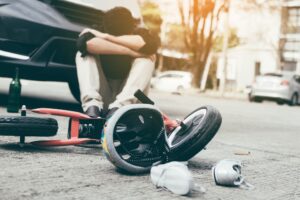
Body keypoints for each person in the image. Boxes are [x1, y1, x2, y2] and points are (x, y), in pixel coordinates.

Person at [76, 7, 160, 118]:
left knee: (147, 59)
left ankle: (119, 108)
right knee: (83, 54)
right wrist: (130, 52)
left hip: (130, 101)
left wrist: (107, 37)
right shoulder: (97, 30)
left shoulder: (141, 32)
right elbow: (86, 44)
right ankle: (92, 106)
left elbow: (149, 46)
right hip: (104, 94)